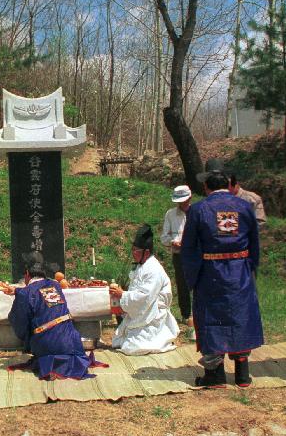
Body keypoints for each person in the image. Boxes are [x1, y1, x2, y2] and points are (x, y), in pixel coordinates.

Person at [181, 166, 263, 388]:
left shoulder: (198, 210)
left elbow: (188, 248)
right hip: (240, 273)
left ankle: (215, 375)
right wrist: (251, 268)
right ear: (228, 185)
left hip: (210, 274)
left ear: (206, 187)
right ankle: (242, 374)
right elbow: (255, 242)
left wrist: (192, 277)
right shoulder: (245, 207)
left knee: (211, 319)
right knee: (240, 317)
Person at [6, 252, 106, 380]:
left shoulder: (25, 294)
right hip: (73, 343)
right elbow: (38, 293)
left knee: (25, 323)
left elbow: (19, 322)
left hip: (48, 344)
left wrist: (27, 338)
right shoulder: (55, 286)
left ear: (27, 274)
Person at [110, 224, 179, 355]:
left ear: (146, 252)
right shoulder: (142, 266)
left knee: (132, 347)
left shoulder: (153, 269)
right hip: (143, 311)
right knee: (121, 342)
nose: (133, 253)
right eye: (133, 250)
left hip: (152, 313)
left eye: (136, 251)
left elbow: (145, 297)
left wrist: (122, 295)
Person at [160, 185, 193, 326]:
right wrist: (173, 242)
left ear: (190, 198)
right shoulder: (171, 214)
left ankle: (201, 312)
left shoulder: (197, 212)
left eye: (184, 200)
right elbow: (163, 237)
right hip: (179, 254)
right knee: (182, 284)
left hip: (196, 254)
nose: (181, 204)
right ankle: (186, 314)